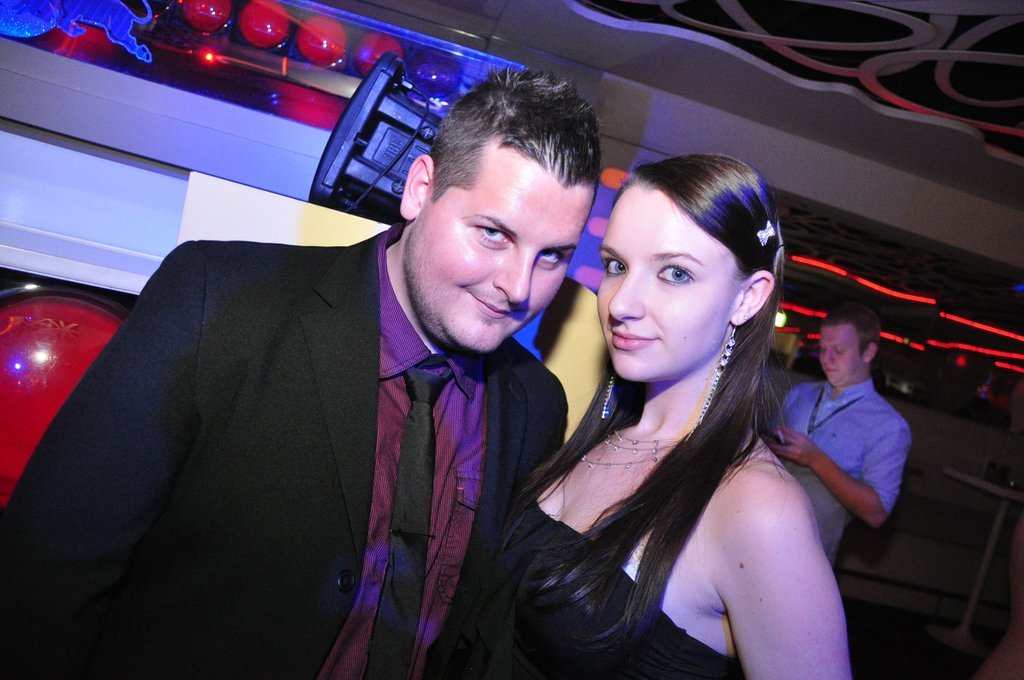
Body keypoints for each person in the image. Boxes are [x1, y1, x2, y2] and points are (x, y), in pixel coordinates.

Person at [0, 68, 601, 680]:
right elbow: (50, 570)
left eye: (552, 255)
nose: (519, 287)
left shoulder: (534, 405)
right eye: (494, 234)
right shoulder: (219, 301)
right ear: (421, 189)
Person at [434, 154, 851, 679]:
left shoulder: (759, 507)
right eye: (616, 265)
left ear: (748, 298)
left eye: (675, 273)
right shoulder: (607, 434)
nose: (621, 303)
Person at [767, 301, 911, 564]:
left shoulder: (889, 426)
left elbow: (876, 513)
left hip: (807, 560)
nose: (827, 359)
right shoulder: (800, 395)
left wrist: (815, 459)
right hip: (753, 534)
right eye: (823, 349)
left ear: (868, 353)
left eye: (839, 350)